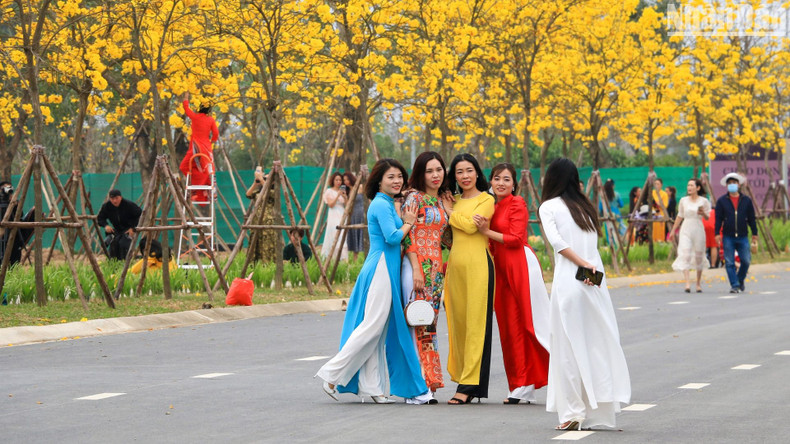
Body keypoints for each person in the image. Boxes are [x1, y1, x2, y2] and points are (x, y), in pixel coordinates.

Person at [316, 159, 429, 404]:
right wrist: (409, 222)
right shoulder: (380, 204)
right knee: (372, 326)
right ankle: (332, 374)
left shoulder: (387, 203)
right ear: (379, 181)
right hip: (381, 268)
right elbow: (392, 238)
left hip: (386, 267)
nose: (397, 181)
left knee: (378, 331)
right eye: (391, 177)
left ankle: (373, 388)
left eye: (399, 176)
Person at [538, 158, 630, 431]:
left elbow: (558, 243)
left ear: (550, 179)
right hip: (592, 283)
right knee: (594, 346)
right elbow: (593, 250)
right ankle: (595, 410)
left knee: (567, 349)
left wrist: (580, 264)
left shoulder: (548, 206)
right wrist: (592, 272)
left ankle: (572, 413)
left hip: (569, 283)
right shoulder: (585, 207)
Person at [473, 163, 550, 405]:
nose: (501, 183)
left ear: (514, 184)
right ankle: (520, 385)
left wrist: (486, 231)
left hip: (521, 266)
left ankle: (563, 372)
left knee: (530, 325)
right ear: (490, 181)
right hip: (501, 270)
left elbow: (516, 239)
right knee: (509, 328)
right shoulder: (491, 206)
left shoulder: (517, 203)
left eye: (506, 179)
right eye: (497, 178)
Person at [441, 153, 496, 405]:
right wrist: (451, 210)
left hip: (479, 267)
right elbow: (459, 225)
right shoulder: (453, 200)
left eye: (469, 170)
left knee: (476, 325)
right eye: (459, 172)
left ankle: (468, 385)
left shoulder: (486, 199)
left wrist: (449, 212)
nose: (465, 176)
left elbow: (473, 227)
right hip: (455, 268)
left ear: (477, 173)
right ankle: (463, 376)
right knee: (458, 324)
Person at [400, 151, 449, 404]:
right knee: (416, 324)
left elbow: (446, 238)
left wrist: (451, 210)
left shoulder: (441, 201)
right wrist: (416, 269)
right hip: (416, 268)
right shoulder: (414, 198)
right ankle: (416, 387)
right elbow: (407, 235)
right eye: (429, 171)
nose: (435, 175)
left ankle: (428, 383)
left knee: (429, 325)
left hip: (435, 271)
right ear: (421, 173)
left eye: (439, 170)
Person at [715, 172, 758, 293]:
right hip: (728, 236)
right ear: (726, 186)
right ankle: (734, 285)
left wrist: (754, 233)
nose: (732, 185)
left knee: (746, 261)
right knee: (729, 262)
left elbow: (751, 218)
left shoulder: (746, 200)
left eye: (734, 182)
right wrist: (717, 233)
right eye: (729, 183)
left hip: (743, 236)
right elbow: (718, 219)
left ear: (739, 185)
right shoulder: (722, 201)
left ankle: (740, 279)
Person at [669, 179, 711, 293]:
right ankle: (687, 283)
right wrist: (673, 231)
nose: (689, 187)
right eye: (688, 185)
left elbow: (707, 217)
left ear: (698, 188)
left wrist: (703, 213)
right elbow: (680, 216)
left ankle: (698, 283)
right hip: (686, 229)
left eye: (692, 185)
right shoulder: (683, 200)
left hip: (698, 229)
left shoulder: (704, 201)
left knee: (698, 256)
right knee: (686, 254)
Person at [179, 92, 219, 203]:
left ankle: (196, 189)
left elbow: (186, 109)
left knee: (184, 167)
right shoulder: (211, 120)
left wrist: (186, 98)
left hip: (195, 148)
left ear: (199, 108)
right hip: (206, 149)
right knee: (207, 170)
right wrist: (212, 141)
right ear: (209, 110)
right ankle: (203, 188)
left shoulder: (195, 117)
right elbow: (216, 133)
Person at [97, 189, 142, 261]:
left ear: (121, 197)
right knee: (113, 246)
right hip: (116, 229)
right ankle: (113, 264)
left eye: (116, 198)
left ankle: (125, 264)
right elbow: (100, 218)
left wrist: (133, 228)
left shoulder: (129, 205)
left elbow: (140, 215)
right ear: (109, 199)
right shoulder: (106, 206)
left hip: (128, 229)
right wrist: (106, 225)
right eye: (112, 199)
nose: (115, 201)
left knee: (123, 245)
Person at [245, 167, 278, 263]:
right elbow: (248, 194)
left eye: (267, 179)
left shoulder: (274, 191)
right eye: (264, 178)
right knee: (254, 246)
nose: (264, 180)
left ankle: (267, 266)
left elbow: (270, 193)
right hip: (256, 222)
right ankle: (253, 266)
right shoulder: (259, 191)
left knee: (267, 247)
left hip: (267, 223)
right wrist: (255, 183)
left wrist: (262, 180)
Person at [0, 181, 34, 266]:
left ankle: (13, 269)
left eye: (10, 188)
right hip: (2, 234)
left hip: (13, 234)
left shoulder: (14, 203)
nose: (9, 190)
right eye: (6, 188)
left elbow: (19, 215)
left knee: (14, 256)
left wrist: (15, 205)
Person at [320, 172, 348, 260]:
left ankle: (343, 258)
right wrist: (338, 195)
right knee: (334, 234)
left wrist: (345, 196)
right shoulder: (329, 191)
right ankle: (331, 257)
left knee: (342, 235)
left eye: (340, 180)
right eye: (336, 180)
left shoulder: (342, 191)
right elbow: (331, 205)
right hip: (333, 215)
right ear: (333, 180)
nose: (338, 182)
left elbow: (347, 206)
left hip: (342, 214)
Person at [344, 172, 365, 262]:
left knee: (362, 233)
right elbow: (347, 206)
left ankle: (365, 257)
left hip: (361, 213)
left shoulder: (360, 187)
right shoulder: (347, 191)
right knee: (353, 234)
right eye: (344, 180)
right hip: (352, 215)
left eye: (347, 179)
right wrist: (345, 197)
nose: (346, 181)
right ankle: (355, 259)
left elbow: (367, 198)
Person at [600, 178, 626, 244]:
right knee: (619, 228)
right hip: (617, 214)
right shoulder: (616, 194)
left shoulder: (602, 195)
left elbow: (600, 207)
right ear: (613, 186)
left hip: (607, 215)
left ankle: (611, 244)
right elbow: (621, 205)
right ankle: (622, 243)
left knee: (609, 230)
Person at [652, 178, 669, 242]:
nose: (656, 185)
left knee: (660, 231)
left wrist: (658, 204)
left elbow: (665, 205)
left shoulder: (664, 194)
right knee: (653, 230)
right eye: (655, 184)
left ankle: (660, 242)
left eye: (658, 184)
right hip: (652, 214)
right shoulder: (652, 193)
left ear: (661, 185)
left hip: (660, 214)